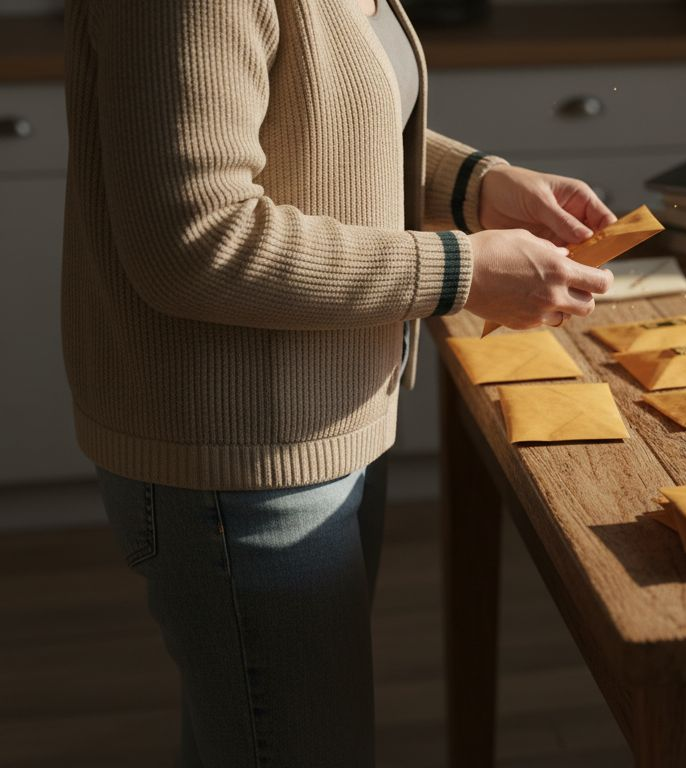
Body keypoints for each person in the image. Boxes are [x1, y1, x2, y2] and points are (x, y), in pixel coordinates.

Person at [61, 1, 613, 764]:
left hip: (322, 424)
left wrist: (474, 185)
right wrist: (462, 271)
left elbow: (322, 119)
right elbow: (194, 242)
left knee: (252, 735)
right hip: (238, 461)